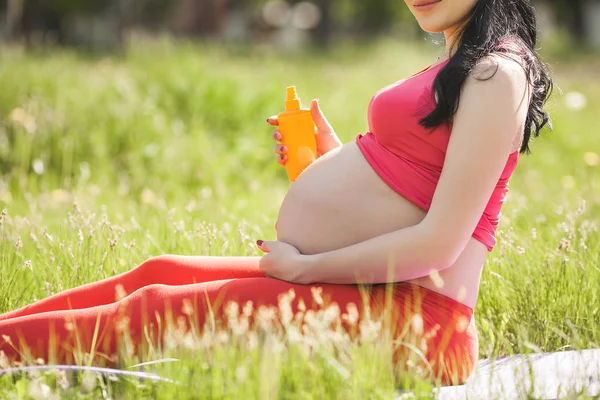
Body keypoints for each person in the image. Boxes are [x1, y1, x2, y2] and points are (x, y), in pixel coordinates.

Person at [0, 0, 552, 386]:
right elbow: (414, 184)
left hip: (420, 323)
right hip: (379, 295)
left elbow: (439, 243)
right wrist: (332, 160)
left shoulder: (496, 73)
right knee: (158, 270)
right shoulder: (462, 64)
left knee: (155, 309)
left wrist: (306, 268)